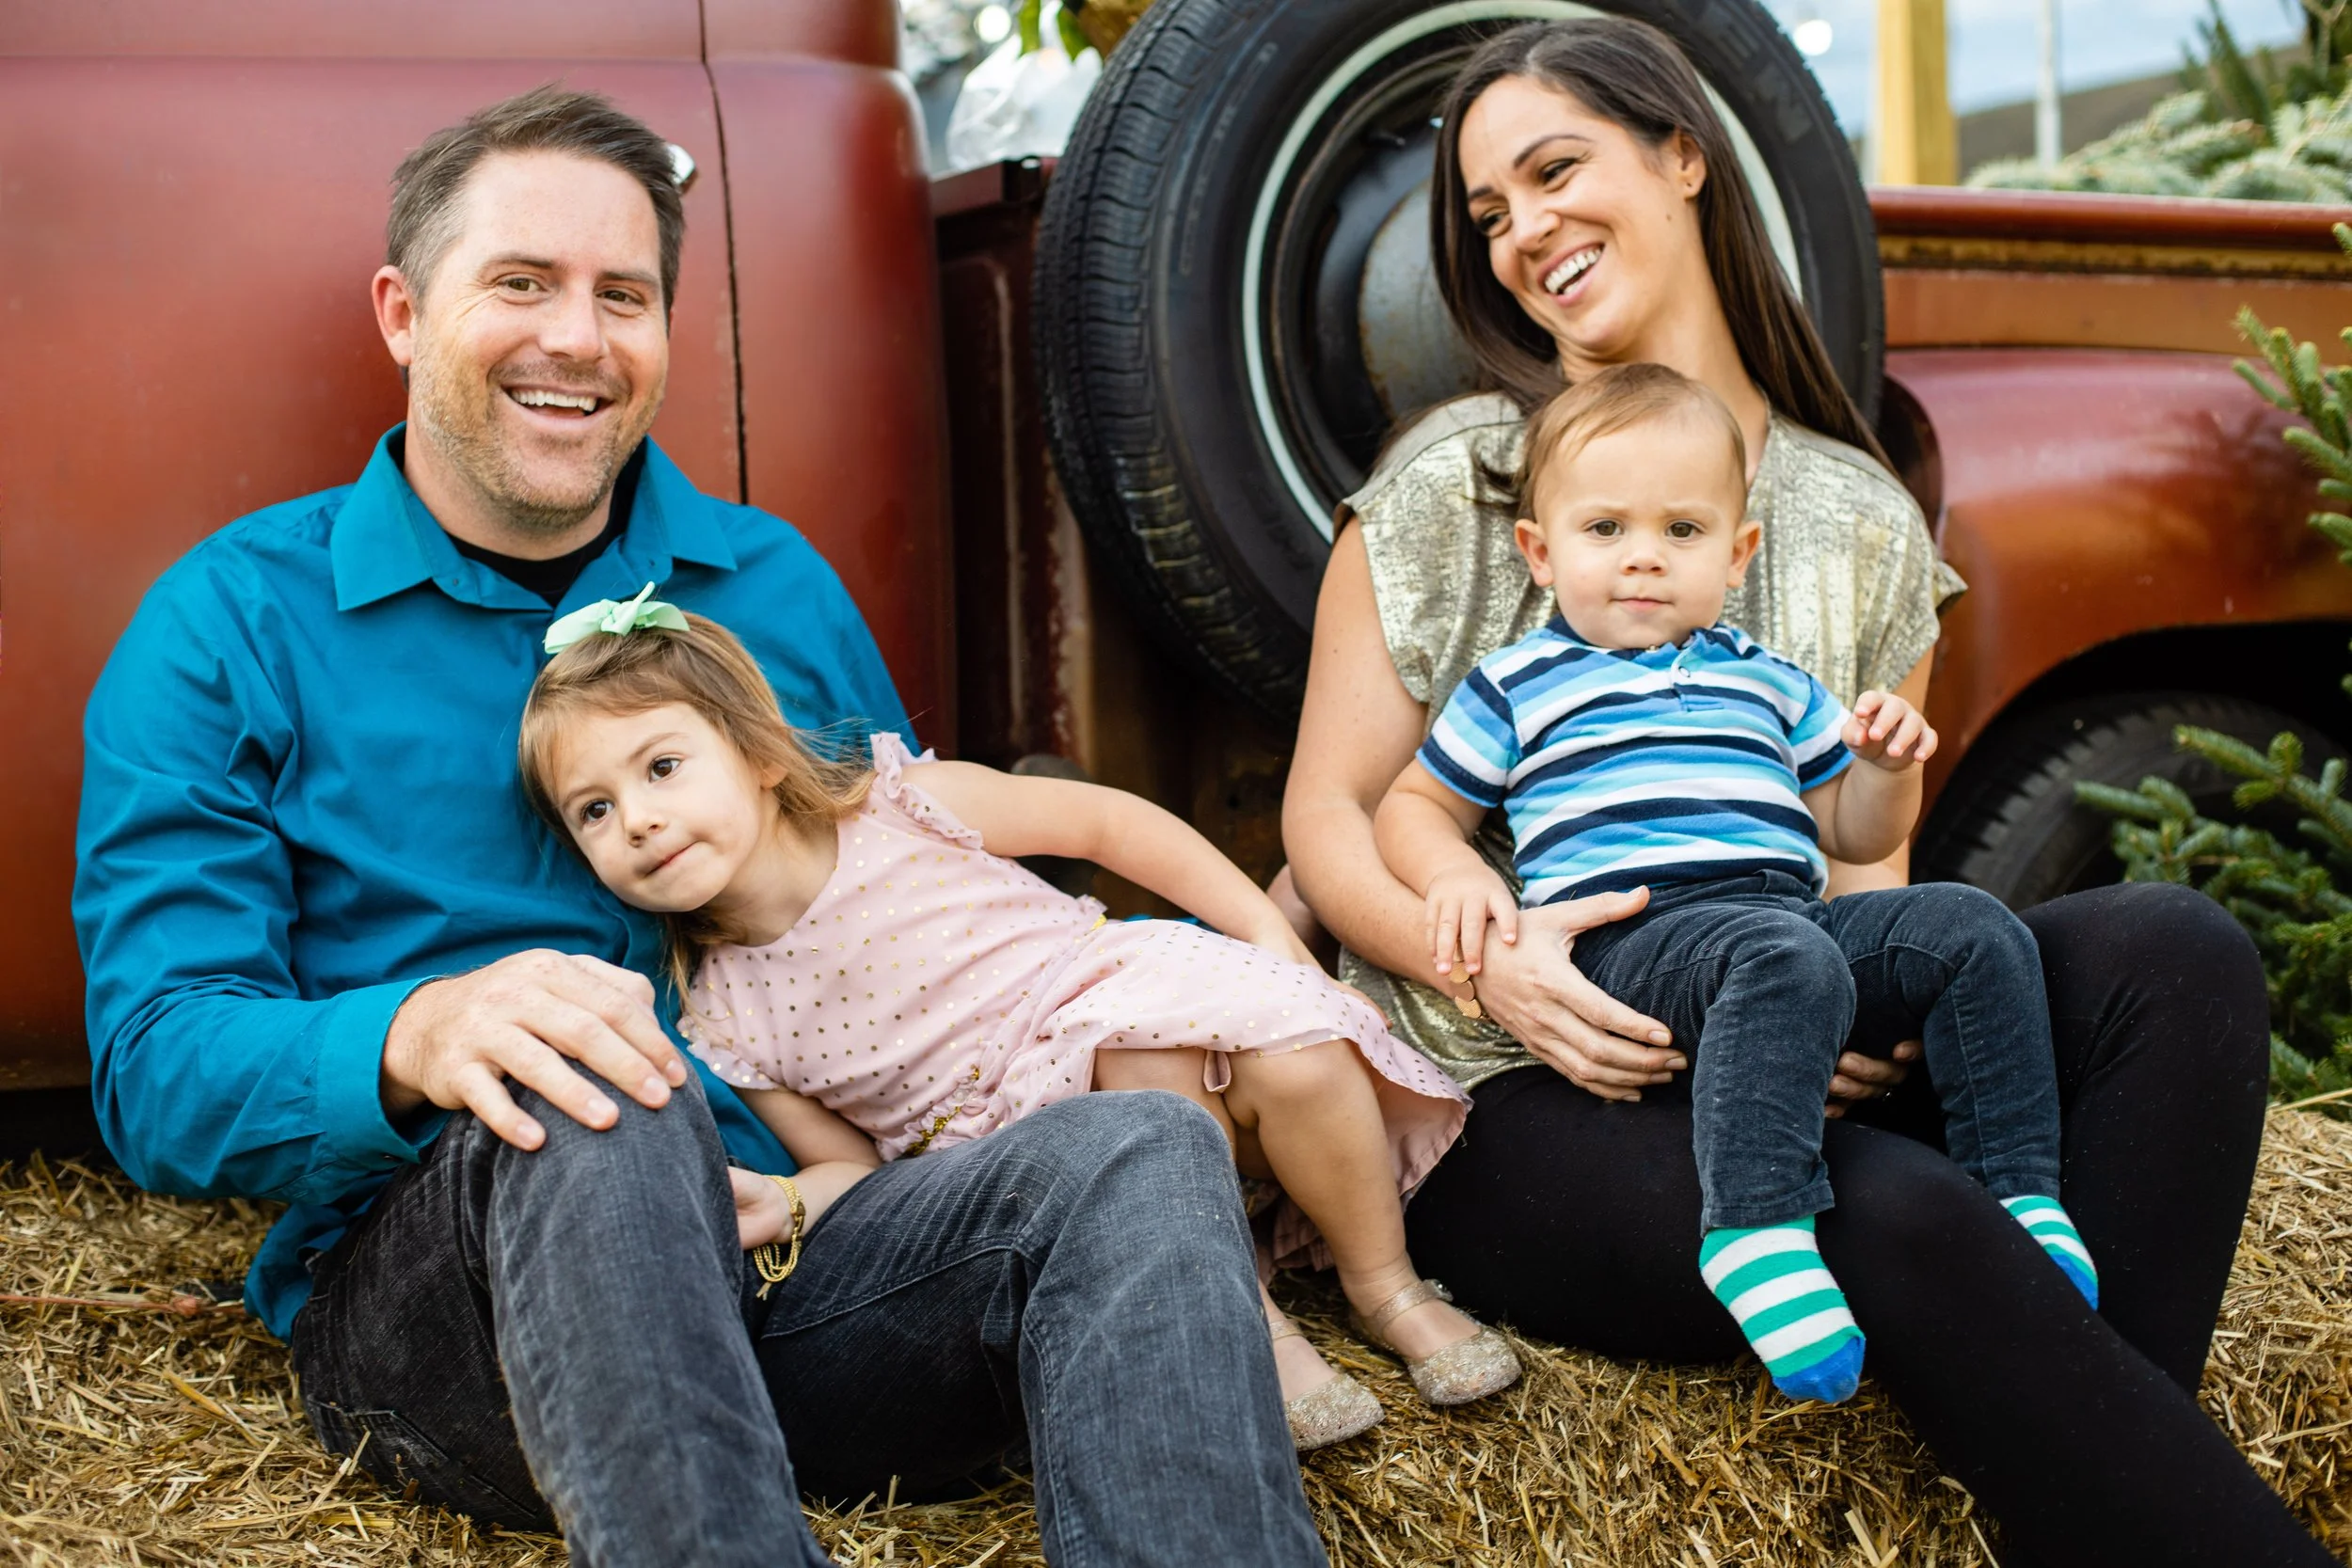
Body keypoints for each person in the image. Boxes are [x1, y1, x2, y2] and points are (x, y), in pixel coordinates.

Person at [74, 87, 1327, 1567]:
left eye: (625, 295)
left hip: (808, 1265)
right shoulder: (229, 627)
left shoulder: (771, 586)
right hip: (454, 1303)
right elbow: (155, 1067)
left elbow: (904, 915)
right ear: (405, 313)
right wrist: (420, 1030)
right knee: (601, 1070)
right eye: (521, 284)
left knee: (1136, 1152)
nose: (577, 339)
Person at [1278, 17, 2332, 1567]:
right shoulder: (1455, 485)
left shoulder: (1857, 519)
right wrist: (1503, 967)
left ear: (1684, 155)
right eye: (1487, 215)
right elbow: (1327, 814)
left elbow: (1867, 845)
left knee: (2178, 951)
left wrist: (1856, 980)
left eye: (1556, 170)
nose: (1524, 234)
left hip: (1783, 991)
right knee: (1892, 1207)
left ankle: (2084, 1500)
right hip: (1520, 1092)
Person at [511, 593, 1518, 1450]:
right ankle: (1245, 1326)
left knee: (1294, 1056)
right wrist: (790, 1204)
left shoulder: (899, 807)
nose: (634, 817)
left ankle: (1383, 1282)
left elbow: (1109, 824)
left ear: (758, 755)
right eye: (591, 809)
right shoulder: (728, 1016)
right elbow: (856, 1168)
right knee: (1139, 1085)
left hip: (1109, 981)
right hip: (1028, 1135)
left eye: (661, 767)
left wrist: (1262, 928)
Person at [1376, 363, 2094, 1405]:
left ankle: (2017, 1194)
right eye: (1604, 528)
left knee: (1971, 929)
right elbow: (1411, 804)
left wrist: (1890, 766)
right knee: (1784, 953)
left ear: (1736, 551)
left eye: (1680, 531)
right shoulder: (1518, 682)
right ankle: (1755, 1229)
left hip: (1781, 917)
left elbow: (1852, 824)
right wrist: (1453, 879)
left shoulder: (1765, 676)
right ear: (1539, 550)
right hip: (1633, 940)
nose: (1641, 558)